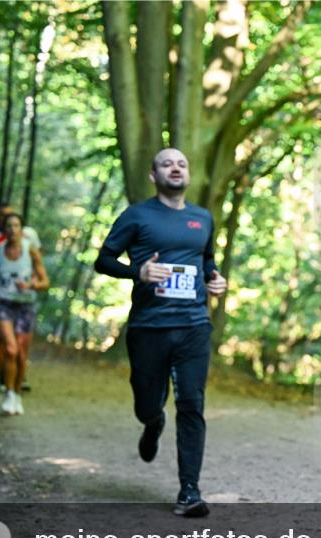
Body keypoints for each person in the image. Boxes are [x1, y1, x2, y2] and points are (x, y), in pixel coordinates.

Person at [94, 147, 227, 518]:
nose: (176, 168)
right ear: (154, 175)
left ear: (189, 174)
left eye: (182, 163)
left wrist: (214, 280)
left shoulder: (203, 218)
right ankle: (152, 422)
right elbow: (103, 260)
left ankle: (189, 491)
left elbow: (207, 261)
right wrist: (137, 272)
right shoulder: (137, 216)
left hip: (193, 326)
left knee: (191, 404)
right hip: (149, 327)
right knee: (147, 403)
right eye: (167, 163)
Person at [0, 212, 49, 415]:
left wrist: (32, 284)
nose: (12, 230)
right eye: (9, 226)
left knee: (22, 355)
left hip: (26, 306)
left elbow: (45, 282)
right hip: (4, 305)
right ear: (4, 230)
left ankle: (16, 394)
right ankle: (8, 394)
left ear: (21, 229)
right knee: (10, 349)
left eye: (16, 226)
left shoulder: (30, 251)